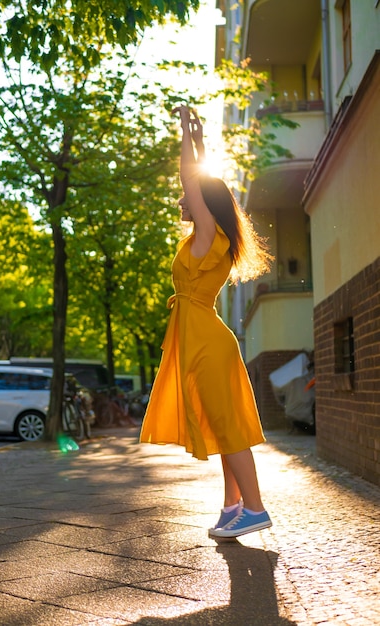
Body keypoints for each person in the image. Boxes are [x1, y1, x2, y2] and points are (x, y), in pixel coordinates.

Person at [139, 105, 273, 539]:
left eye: (189, 197)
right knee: (221, 425)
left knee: (228, 429)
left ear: (203, 204)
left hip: (206, 342)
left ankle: (254, 508)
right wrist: (199, 141)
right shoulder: (208, 236)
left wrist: (184, 136)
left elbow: (190, 179)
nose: (182, 199)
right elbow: (199, 181)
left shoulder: (206, 235)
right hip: (204, 338)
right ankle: (233, 505)